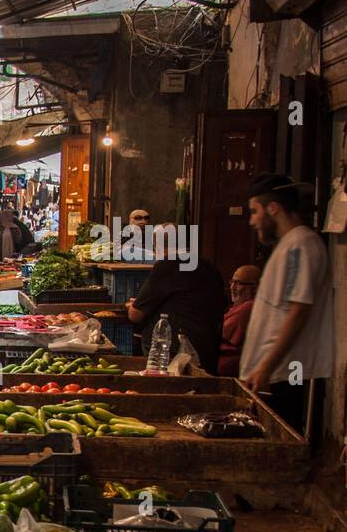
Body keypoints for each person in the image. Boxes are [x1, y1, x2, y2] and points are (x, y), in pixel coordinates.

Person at [239, 173, 335, 434]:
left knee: (282, 447)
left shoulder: (300, 246)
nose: (252, 220)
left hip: (286, 374)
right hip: (272, 374)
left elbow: (298, 311)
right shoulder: (289, 246)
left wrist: (265, 367)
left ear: (273, 208)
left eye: (254, 211)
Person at [126, 253, 227, 375]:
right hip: (207, 354)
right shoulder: (208, 267)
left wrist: (132, 305)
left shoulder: (168, 265)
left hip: (173, 358)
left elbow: (135, 314)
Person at [218, 265, 260, 377]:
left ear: (255, 288)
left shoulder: (249, 307)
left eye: (238, 283)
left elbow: (218, 333)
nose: (232, 287)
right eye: (232, 282)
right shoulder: (241, 306)